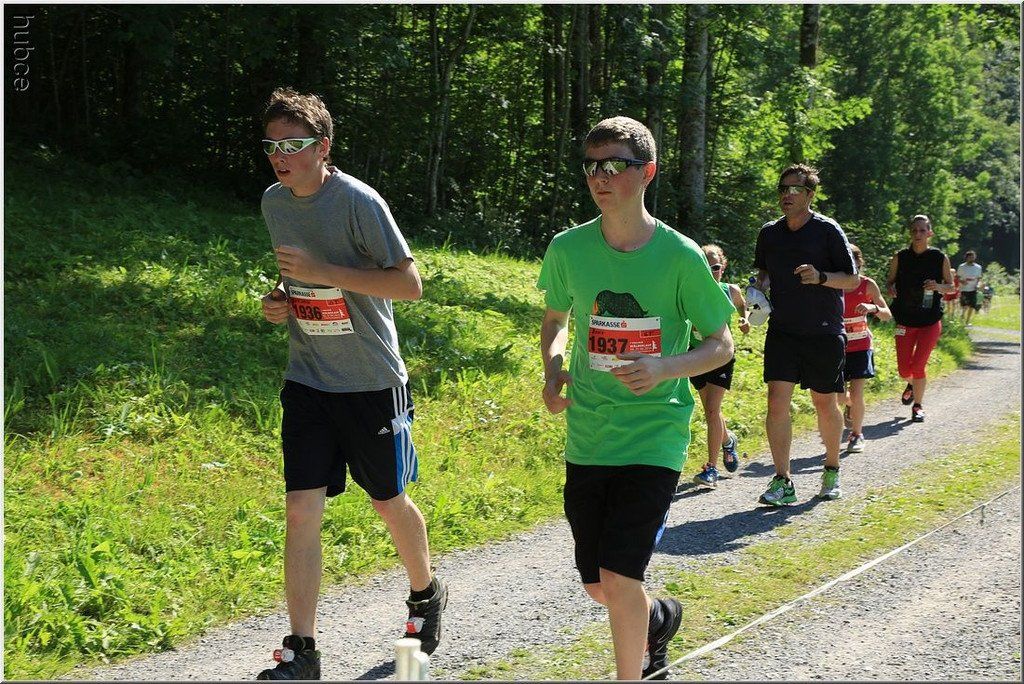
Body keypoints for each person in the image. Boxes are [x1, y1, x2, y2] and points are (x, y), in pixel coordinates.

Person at [256, 88, 446, 680]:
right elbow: (298, 280)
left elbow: (409, 285)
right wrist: (281, 300)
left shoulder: (359, 202)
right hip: (308, 378)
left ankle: (426, 592)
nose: (281, 157)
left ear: (323, 148)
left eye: (294, 145)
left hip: (370, 381)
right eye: (272, 147)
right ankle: (302, 651)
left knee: (388, 500)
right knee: (300, 508)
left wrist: (324, 272)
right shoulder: (274, 203)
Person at [538, 116, 735, 680]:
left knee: (621, 576)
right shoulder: (568, 248)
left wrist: (664, 368)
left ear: (647, 172)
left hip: (655, 434)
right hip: (589, 434)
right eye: (591, 166)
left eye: (614, 166)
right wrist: (553, 367)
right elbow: (555, 320)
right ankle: (657, 619)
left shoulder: (680, 256)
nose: (600, 177)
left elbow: (720, 343)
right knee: (598, 584)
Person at [749, 163, 859, 506]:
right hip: (782, 329)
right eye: (782, 189)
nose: (787, 195)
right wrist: (757, 291)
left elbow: (852, 280)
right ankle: (783, 480)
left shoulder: (827, 231)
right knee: (776, 401)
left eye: (794, 189)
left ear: (810, 195)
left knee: (824, 402)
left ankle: (831, 469)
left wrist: (821, 277)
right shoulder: (769, 233)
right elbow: (764, 274)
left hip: (823, 330)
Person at [690, 244, 751, 489]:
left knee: (712, 411)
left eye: (715, 267)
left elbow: (742, 305)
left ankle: (711, 469)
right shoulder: (690, 291)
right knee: (710, 412)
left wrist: (744, 319)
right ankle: (728, 441)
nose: (711, 271)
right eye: (706, 266)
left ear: (723, 268)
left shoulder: (730, 290)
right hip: (695, 357)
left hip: (721, 356)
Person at [885, 214, 954, 424]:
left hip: (929, 321)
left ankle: (918, 406)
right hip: (904, 320)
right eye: (914, 230)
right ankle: (912, 385)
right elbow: (889, 282)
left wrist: (938, 286)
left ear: (929, 233)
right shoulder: (900, 257)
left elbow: (951, 287)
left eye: (922, 230)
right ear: (910, 233)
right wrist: (891, 289)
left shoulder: (939, 257)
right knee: (903, 370)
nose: (918, 234)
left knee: (918, 366)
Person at [836, 244, 891, 453]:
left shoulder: (868, 285)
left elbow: (887, 314)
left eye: (852, 260)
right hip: (837, 346)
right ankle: (849, 405)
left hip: (861, 345)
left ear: (859, 262)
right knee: (840, 397)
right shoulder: (833, 285)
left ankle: (857, 434)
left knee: (858, 393)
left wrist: (873, 307)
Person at [956, 250, 984, 325]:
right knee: (964, 305)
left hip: (973, 289)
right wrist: (962, 281)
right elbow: (957, 277)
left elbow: (979, 278)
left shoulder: (978, 267)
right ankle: (962, 316)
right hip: (964, 289)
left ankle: (967, 321)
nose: (972, 259)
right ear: (966, 258)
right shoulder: (962, 267)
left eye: (973, 257)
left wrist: (978, 285)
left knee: (972, 305)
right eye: (970, 257)